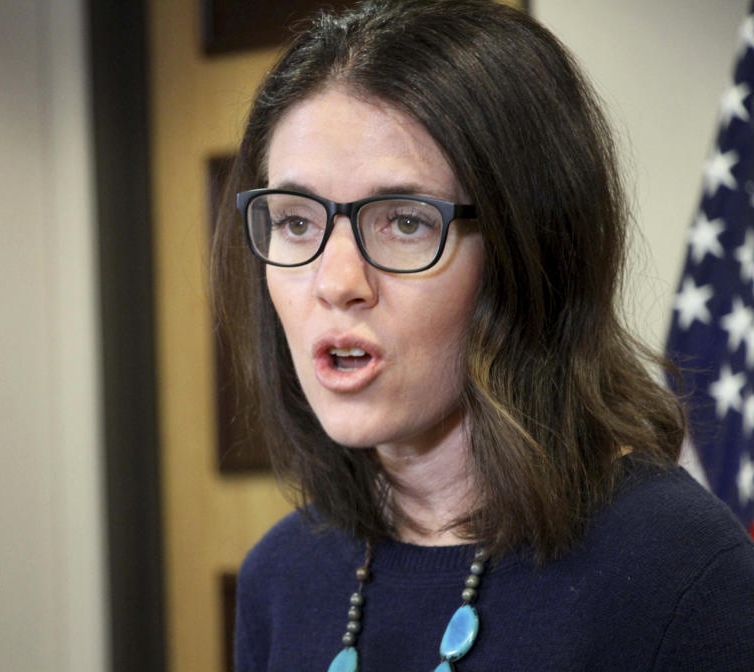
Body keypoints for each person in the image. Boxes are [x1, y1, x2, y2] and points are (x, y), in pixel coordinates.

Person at [209, 1, 754, 670]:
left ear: (529, 251)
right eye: (296, 221)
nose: (336, 280)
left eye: (404, 222)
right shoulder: (281, 575)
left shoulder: (683, 569)